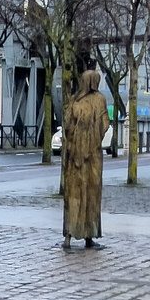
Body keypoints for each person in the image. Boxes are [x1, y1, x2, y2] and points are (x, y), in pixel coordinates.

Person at [62, 69, 109, 251]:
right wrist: (93, 138)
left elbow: (66, 125)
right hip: (92, 156)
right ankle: (89, 235)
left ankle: (68, 235)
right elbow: (105, 124)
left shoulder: (74, 100)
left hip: (74, 156)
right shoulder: (99, 99)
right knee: (91, 194)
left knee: (73, 195)